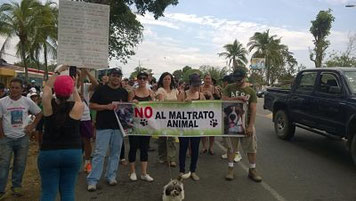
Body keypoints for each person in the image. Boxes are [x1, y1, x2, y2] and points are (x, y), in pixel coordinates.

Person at [38, 66, 84, 201]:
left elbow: (47, 87)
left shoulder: (47, 104)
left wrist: (58, 72)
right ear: (70, 90)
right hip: (72, 153)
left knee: (48, 192)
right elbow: (77, 99)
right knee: (68, 191)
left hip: (49, 153)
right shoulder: (78, 107)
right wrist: (73, 86)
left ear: (55, 90)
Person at [0, 78, 42, 200]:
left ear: (22, 89)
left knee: (20, 164)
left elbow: (39, 113)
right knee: (3, 165)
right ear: (9, 88)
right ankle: (1, 190)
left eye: (17, 88)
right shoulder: (2, 102)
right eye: (12, 87)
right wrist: (1, 135)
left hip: (22, 138)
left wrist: (32, 126)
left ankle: (16, 186)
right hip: (6, 139)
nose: (14, 90)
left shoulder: (27, 101)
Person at [87, 68, 128, 191]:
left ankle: (111, 176)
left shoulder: (123, 92)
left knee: (115, 153)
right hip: (103, 126)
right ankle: (92, 180)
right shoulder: (101, 89)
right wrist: (106, 106)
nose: (116, 78)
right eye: (114, 75)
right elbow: (91, 105)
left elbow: (127, 108)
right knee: (100, 153)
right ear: (109, 76)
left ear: (121, 78)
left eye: (118, 76)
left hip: (118, 127)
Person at [222, 68, 262, 182]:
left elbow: (253, 109)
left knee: (251, 148)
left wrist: (250, 125)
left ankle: (252, 170)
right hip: (231, 125)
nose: (237, 81)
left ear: (244, 77)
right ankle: (230, 169)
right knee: (231, 148)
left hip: (246, 124)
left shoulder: (251, 91)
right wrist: (237, 98)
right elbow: (223, 100)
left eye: (239, 79)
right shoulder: (229, 87)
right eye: (236, 79)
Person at [127, 72, 154, 182]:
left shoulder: (151, 93)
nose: (142, 80)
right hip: (134, 125)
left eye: (144, 78)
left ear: (147, 80)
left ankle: (144, 173)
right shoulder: (132, 93)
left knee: (144, 148)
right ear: (137, 80)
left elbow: (155, 108)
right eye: (140, 78)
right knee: (133, 147)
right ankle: (132, 171)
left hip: (146, 126)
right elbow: (126, 108)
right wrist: (131, 103)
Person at [179, 73, 206, 181]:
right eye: (194, 85)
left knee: (195, 149)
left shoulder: (201, 95)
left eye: (198, 85)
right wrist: (183, 104)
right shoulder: (183, 94)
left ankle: (193, 171)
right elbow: (175, 110)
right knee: (183, 149)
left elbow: (206, 110)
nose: (196, 87)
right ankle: (181, 171)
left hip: (196, 127)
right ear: (190, 84)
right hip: (184, 127)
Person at [156, 72, 183, 167]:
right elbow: (161, 102)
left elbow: (180, 101)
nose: (167, 81)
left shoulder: (175, 91)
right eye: (165, 79)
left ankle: (172, 158)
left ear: (171, 80)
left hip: (173, 117)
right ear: (162, 81)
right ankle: (162, 157)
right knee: (162, 138)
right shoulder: (160, 90)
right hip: (162, 117)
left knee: (171, 138)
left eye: (169, 79)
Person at [79, 69, 99, 174]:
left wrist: (86, 71)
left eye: (79, 75)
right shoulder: (69, 85)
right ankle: (76, 162)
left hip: (85, 117)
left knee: (87, 140)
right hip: (72, 117)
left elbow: (96, 84)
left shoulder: (85, 86)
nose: (77, 76)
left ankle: (87, 162)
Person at [200, 74, 216, 155]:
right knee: (203, 130)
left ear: (211, 80)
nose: (207, 80)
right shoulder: (200, 87)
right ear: (204, 79)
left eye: (209, 79)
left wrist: (211, 95)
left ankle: (211, 147)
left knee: (212, 131)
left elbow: (218, 98)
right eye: (206, 78)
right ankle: (204, 146)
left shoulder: (214, 88)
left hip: (212, 111)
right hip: (202, 111)